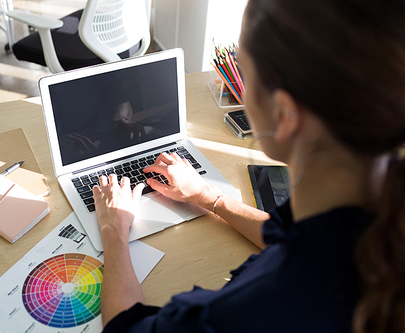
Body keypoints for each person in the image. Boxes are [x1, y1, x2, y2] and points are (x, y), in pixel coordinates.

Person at [91, 0, 405, 331]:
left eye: (242, 70)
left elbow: (125, 329)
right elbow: (296, 240)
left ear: (285, 115)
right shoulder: (381, 216)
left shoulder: (238, 315)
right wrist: (209, 197)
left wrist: (114, 228)